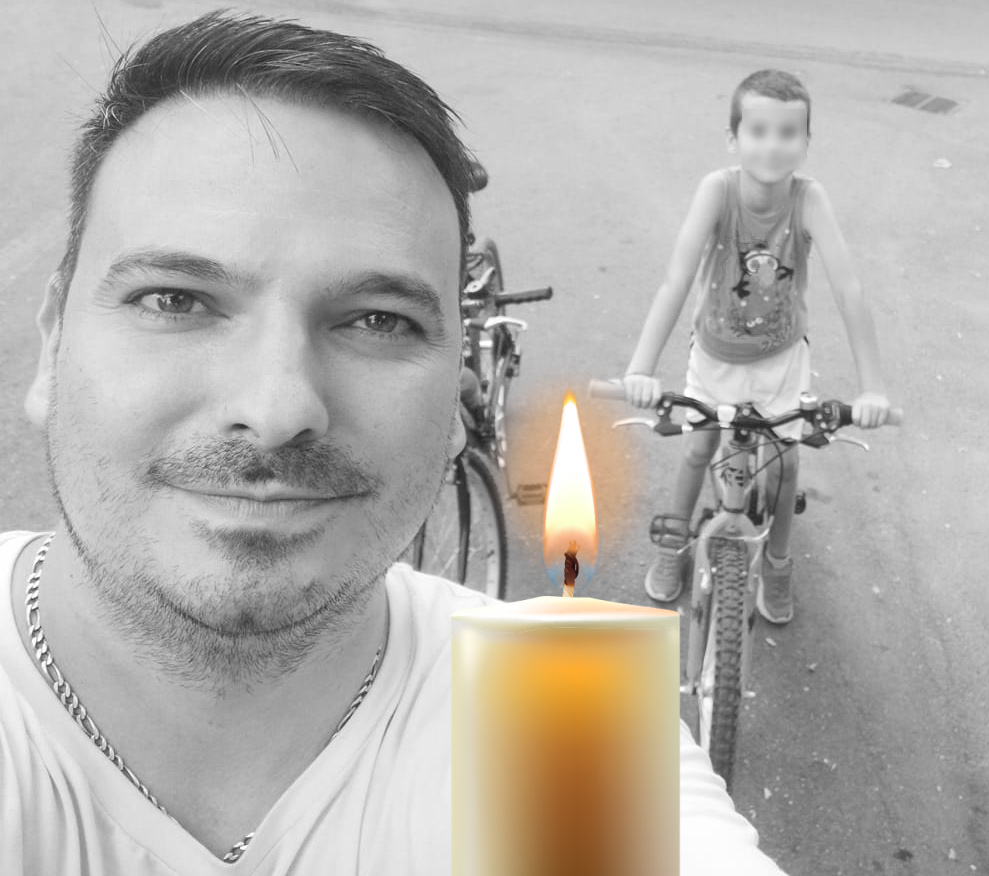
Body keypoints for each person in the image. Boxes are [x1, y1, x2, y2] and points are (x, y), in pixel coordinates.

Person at [0, 12, 791, 874]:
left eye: (378, 321)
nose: (277, 408)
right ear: (53, 341)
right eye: (174, 300)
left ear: (458, 396)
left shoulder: (560, 713)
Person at [622, 70, 892, 623]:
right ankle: (675, 542)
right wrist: (641, 368)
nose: (772, 145)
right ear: (733, 139)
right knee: (698, 448)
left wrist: (873, 389)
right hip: (715, 355)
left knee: (786, 463)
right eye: (758, 131)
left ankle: (778, 560)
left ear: (806, 142)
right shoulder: (717, 191)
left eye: (788, 133)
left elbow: (849, 290)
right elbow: (677, 280)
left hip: (781, 361)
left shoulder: (808, 199)